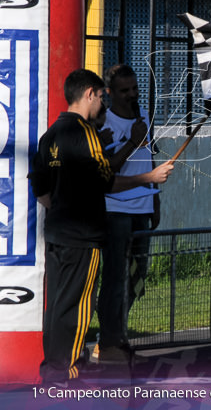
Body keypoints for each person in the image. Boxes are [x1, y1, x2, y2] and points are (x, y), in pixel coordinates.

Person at [29, 69, 173, 382]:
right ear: (94, 93)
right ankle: (65, 372)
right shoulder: (87, 134)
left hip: (56, 232)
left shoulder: (49, 135)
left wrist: (64, 207)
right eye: (102, 98)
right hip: (82, 236)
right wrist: (149, 178)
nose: (102, 108)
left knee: (57, 304)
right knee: (79, 305)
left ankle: (52, 369)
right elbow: (106, 181)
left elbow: (40, 188)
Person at [95, 64, 159, 364]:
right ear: (109, 93)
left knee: (137, 279)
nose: (131, 95)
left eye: (134, 89)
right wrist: (132, 140)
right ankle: (108, 340)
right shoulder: (103, 122)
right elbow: (107, 170)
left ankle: (117, 334)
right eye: (124, 91)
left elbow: (149, 161)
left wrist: (155, 202)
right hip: (116, 209)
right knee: (115, 278)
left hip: (142, 208)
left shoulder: (144, 117)